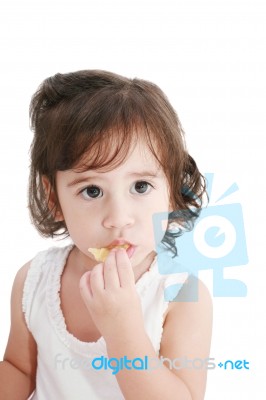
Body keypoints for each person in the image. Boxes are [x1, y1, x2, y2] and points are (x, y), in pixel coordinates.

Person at [0, 70, 212, 400]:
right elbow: (20, 369)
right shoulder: (34, 281)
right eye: (92, 191)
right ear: (55, 199)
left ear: (171, 192)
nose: (118, 218)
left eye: (140, 186)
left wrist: (122, 329)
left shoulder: (180, 296)